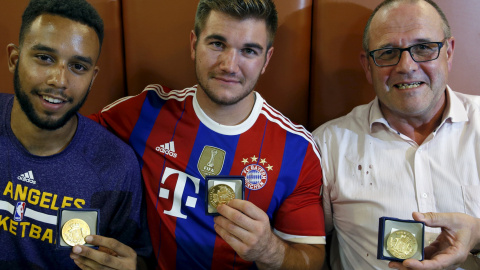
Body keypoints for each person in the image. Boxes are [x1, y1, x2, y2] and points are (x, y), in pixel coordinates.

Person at [88, 0, 326, 269]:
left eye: (248, 50)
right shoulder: (146, 111)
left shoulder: (297, 150)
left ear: (266, 60)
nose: (229, 65)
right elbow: (68, 138)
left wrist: (269, 249)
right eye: (217, 44)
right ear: (193, 44)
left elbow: (312, 259)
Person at [312, 0, 480, 269]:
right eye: (388, 52)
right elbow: (301, 247)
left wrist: (478, 234)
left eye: (423, 48)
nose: (406, 66)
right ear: (368, 66)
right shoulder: (327, 146)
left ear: (448, 52)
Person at [0, 0, 151, 269]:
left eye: (78, 67)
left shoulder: (116, 165)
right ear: (14, 59)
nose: (59, 80)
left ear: (92, 79)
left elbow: (137, 258)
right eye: (45, 58)